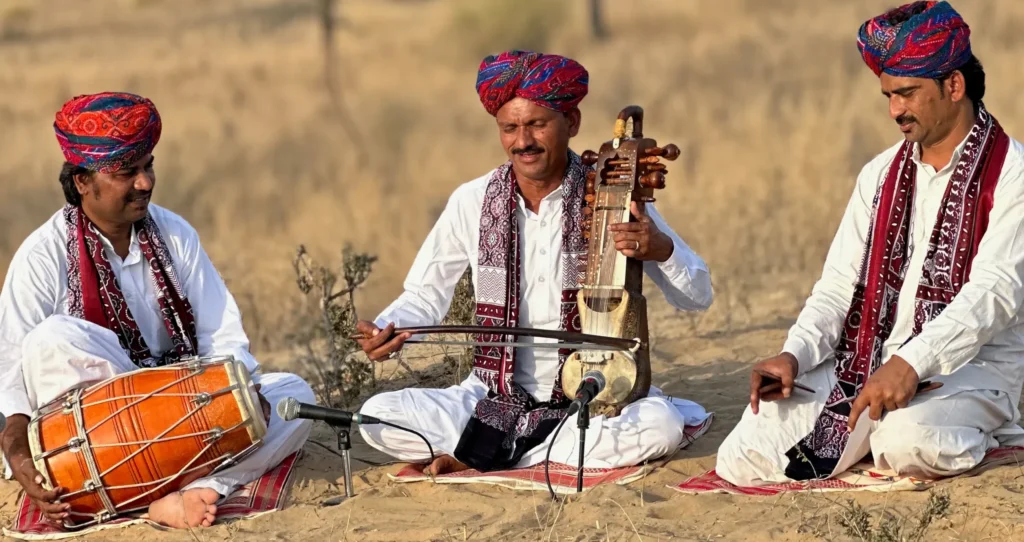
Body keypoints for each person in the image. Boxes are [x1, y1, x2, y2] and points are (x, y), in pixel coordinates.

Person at [354, 50, 714, 475]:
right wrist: (391, 330)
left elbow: (698, 297)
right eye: (510, 128)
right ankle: (539, 453)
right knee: (377, 416)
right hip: (491, 398)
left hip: (591, 401)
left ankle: (486, 454)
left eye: (537, 125)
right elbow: (424, 295)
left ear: (572, 124)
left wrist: (661, 250)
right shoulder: (472, 201)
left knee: (660, 425)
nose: (522, 141)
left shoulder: (613, 197)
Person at [716, 1, 1024, 485]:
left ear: (954, 86)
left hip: (969, 370)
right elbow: (839, 285)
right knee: (743, 453)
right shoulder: (879, 175)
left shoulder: (1011, 175)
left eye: (906, 94)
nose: (894, 110)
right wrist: (794, 354)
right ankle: (865, 438)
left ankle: (991, 431)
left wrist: (910, 363)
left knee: (905, 440)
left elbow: (994, 293)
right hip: (866, 362)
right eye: (888, 95)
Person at [0, 92, 315, 528]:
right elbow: (12, 371)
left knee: (294, 396)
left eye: (148, 166)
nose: (145, 182)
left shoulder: (175, 234)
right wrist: (16, 452)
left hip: (186, 409)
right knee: (51, 339)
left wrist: (242, 392)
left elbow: (222, 336)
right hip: (102, 436)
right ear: (81, 182)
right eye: (127, 171)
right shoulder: (42, 255)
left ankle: (195, 492)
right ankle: (165, 485)